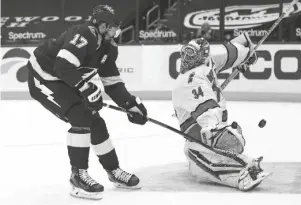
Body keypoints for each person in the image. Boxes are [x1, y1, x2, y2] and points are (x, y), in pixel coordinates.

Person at [27, 5, 148, 200]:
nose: (115, 30)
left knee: (95, 121)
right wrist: (86, 88)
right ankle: (78, 177)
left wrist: (131, 104)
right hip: (43, 76)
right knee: (80, 116)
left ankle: (113, 170)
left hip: (63, 78)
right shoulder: (84, 33)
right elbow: (62, 66)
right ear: (101, 24)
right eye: (112, 26)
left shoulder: (108, 47)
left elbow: (113, 83)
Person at [172, 35, 271, 191]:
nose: (187, 60)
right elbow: (239, 44)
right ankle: (222, 148)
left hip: (207, 129)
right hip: (220, 123)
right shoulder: (211, 60)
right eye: (186, 54)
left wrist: (213, 132)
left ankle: (243, 171)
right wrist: (248, 55)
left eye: (192, 55)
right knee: (194, 154)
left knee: (191, 151)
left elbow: (207, 114)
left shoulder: (188, 80)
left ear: (202, 56)